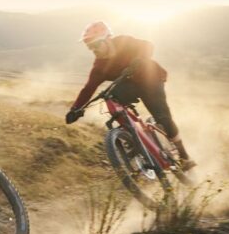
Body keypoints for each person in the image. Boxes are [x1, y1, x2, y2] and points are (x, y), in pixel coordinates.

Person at [65, 21, 196, 171]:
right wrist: (75, 109)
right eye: (90, 47)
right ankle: (131, 131)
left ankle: (185, 156)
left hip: (151, 79)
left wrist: (139, 58)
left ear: (107, 39)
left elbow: (148, 45)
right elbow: (88, 88)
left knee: (163, 117)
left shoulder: (123, 42)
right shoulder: (99, 67)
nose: (93, 50)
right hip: (130, 84)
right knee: (111, 96)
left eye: (96, 45)